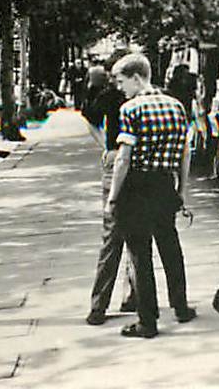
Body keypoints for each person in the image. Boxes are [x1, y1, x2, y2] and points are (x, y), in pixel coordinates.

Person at [108, 52, 197, 339]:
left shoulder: (130, 110)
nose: (120, 88)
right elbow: (184, 153)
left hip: (136, 187)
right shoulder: (176, 107)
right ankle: (181, 306)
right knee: (170, 247)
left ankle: (148, 321)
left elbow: (123, 159)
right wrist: (181, 189)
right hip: (164, 186)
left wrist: (113, 196)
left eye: (122, 82)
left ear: (136, 77)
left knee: (140, 254)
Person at [81, 62, 135, 324]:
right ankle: (132, 295)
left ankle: (99, 305)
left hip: (116, 164)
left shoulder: (108, 96)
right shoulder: (152, 97)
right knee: (138, 235)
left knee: (112, 236)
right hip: (140, 166)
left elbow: (88, 118)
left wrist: (106, 146)